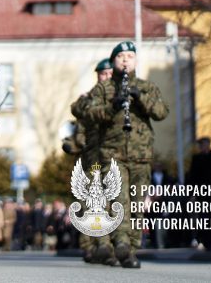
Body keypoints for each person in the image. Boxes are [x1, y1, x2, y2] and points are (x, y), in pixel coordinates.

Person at [78, 41, 168, 269]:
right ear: (113, 61)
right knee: (120, 200)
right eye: (121, 57)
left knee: (137, 205)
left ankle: (131, 250)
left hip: (141, 155)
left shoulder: (147, 87)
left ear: (136, 61)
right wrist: (112, 107)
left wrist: (140, 98)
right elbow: (88, 114)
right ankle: (121, 242)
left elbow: (161, 112)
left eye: (130, 56)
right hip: (112, 154)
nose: (125, 60)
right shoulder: (103, 89)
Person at [65, 57, 114, 264]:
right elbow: (80, 126)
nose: (107, 77)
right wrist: (76, 143)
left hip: (114, 156)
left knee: (113, 200)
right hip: (93, 157)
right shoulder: (89, 99)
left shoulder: (120, 97)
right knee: (91, 201)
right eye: (103, 74)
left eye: (110, 73)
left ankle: (108, 246)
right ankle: (90, 246)